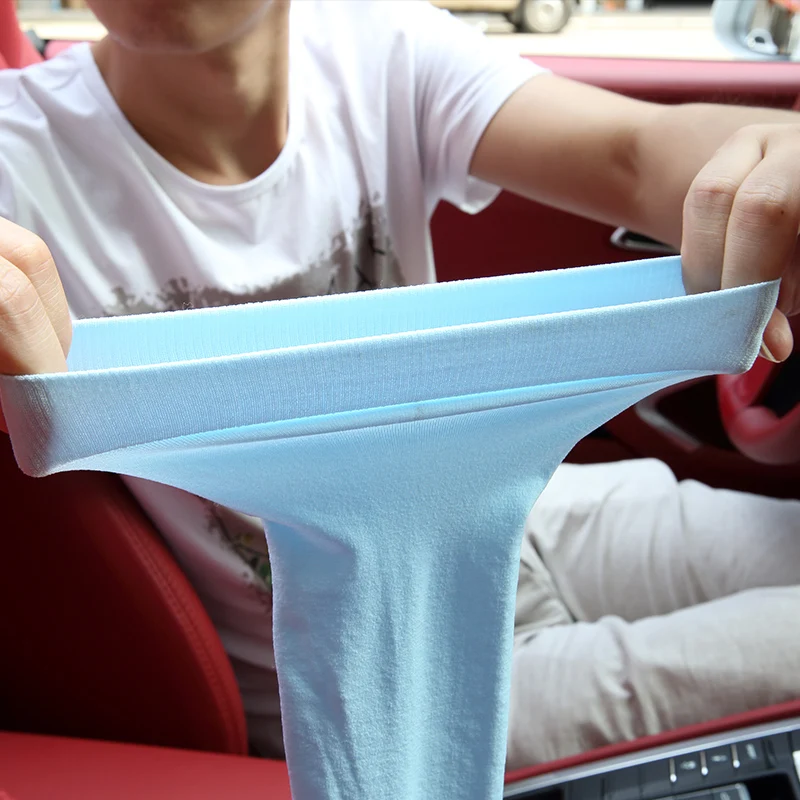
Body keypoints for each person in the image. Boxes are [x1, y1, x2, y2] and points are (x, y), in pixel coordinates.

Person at [0, 0, 798, 767]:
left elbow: (636, 151)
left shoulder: (374, 47)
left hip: (513, 519)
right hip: (375, 680)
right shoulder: (17, 155)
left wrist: (769, 163)